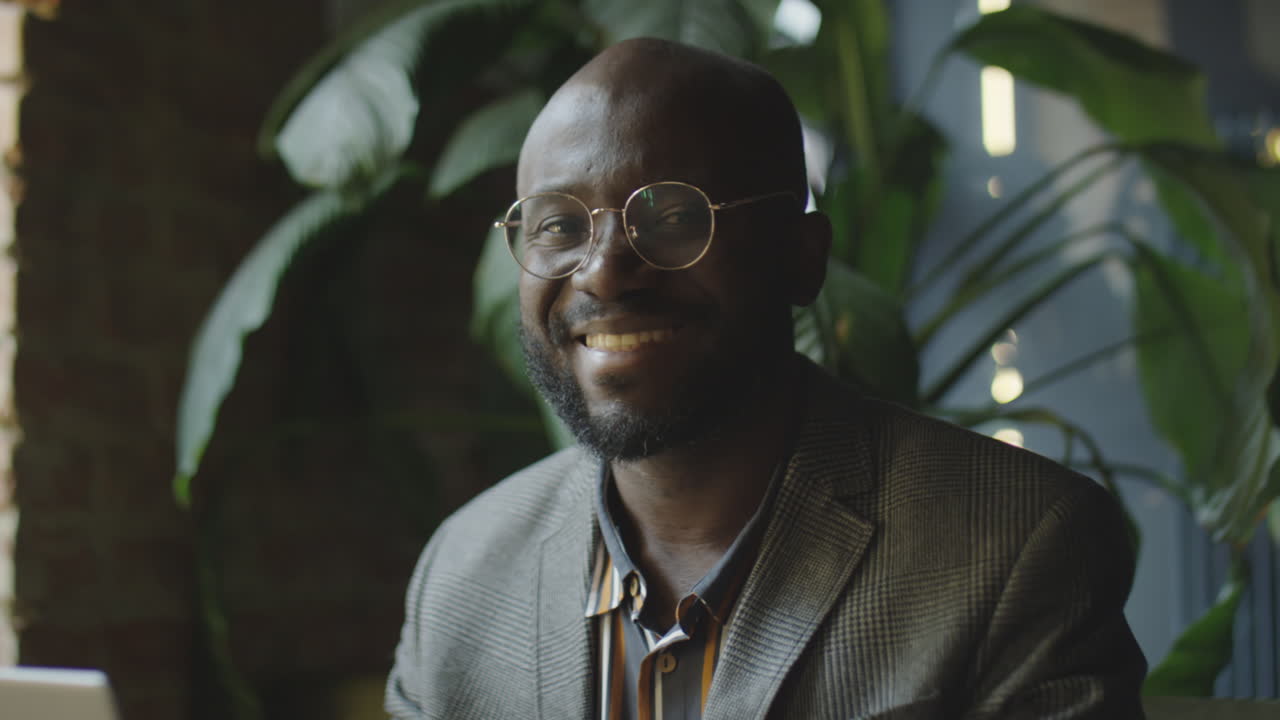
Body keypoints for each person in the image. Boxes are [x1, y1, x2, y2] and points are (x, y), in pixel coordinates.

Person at [386, 37, 1147, 720]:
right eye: (558, 225)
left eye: (675, 216)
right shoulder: (461, 574)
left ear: (801, 255)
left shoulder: (1013, 548)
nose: (606, 271)